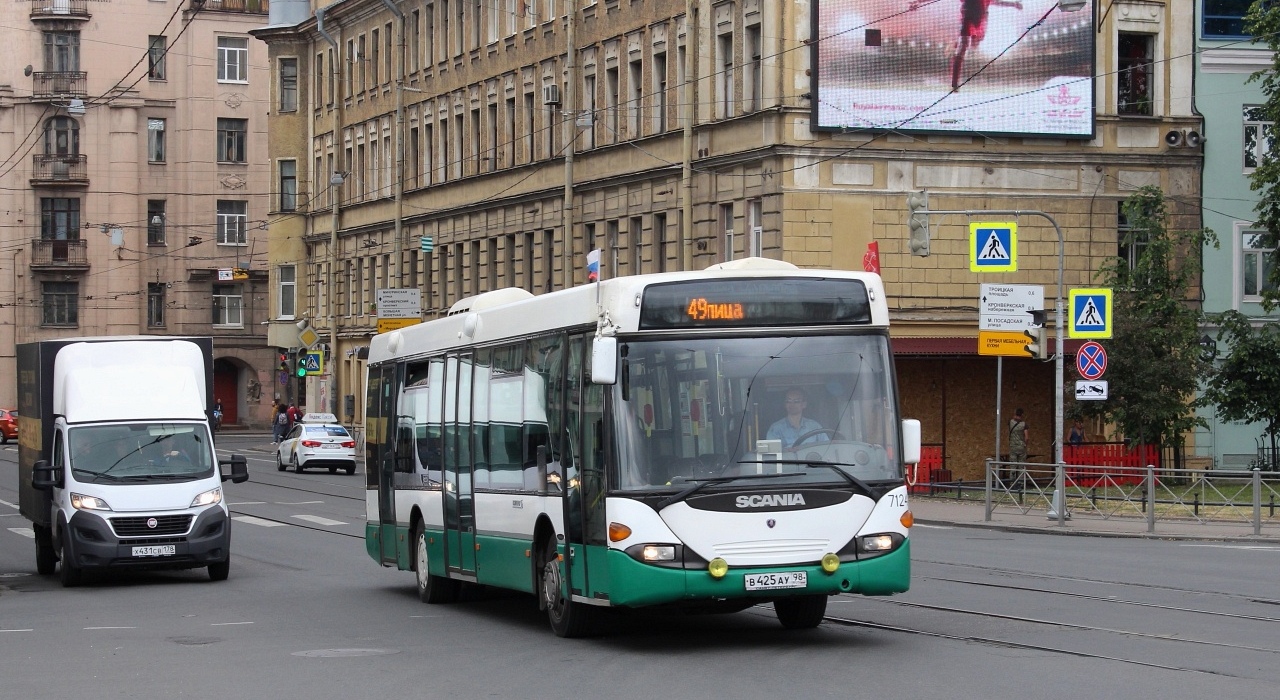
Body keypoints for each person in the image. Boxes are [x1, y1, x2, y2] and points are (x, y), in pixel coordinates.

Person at [911, 0, 1024, 91]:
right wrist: (918, 2)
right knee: (963, 47)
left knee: (974, 45)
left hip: (981, 22)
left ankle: (957, 44)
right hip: (967, 18)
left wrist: (1014, 4)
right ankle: (954, 83)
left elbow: (997, 2)